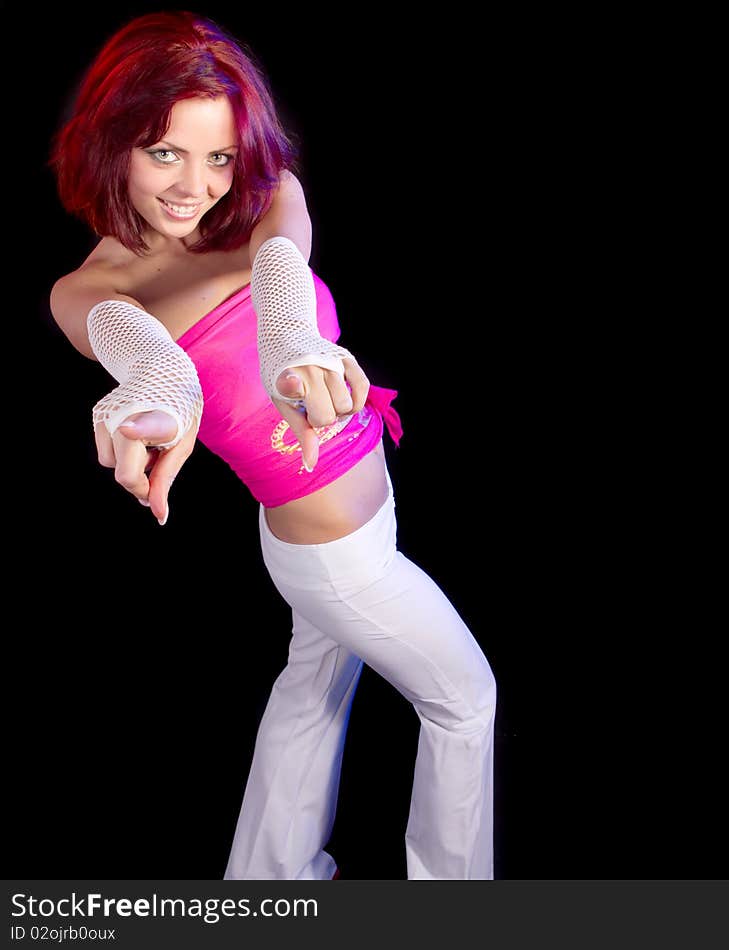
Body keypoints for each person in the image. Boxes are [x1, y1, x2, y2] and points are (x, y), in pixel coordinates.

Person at [47, 9, 496, 881]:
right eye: (162, 152)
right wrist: (152, 406)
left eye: (215, 156)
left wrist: (292, 345)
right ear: (112, 142)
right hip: (336, 559)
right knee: (465, 703)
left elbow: (282, 269)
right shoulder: (90, 290)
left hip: (350, 527)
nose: (193, 186)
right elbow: (153, 368)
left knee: (312, 691)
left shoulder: (261, 196)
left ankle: (266, 885)